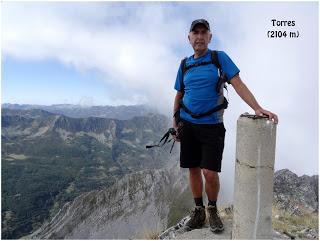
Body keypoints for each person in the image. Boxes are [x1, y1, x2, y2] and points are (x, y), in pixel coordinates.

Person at [172, 19, 278, 233]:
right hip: (188, 124)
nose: (200, 36)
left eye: (204, 33)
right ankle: (199, 210)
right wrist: (175, 123)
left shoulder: (218, 58)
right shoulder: (184, 64)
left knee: (209, 173)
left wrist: (257, 107)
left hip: (212, 126)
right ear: (189, 38)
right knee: (193, 169)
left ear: (210, 37)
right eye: (196, 33)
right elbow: (179, 95)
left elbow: (238, 83)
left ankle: (212, 209)